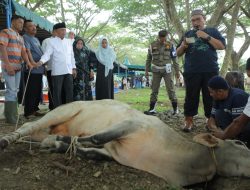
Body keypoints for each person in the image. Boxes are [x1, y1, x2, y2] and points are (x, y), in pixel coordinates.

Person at [176, 9, 226, 132]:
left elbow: (222, 46)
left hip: (210, 70)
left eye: (198, 19)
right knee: (191, 96)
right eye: (193, 20)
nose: (195, 22)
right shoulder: (188, 34)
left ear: (204, 19)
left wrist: (207, 37)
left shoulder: (212, 31)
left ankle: (210, 119)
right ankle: (189, 120)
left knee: (210, 96)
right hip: (191, 70)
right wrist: (183, 46)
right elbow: (177, 53)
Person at [0, 15, 35, 124]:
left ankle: (13, 115)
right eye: (20, 22)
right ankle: (10, 118)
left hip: (18, 67)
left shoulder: (20, 37)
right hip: (9, 66)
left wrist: (29, 63)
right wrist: (8, 65)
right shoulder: (6, 32)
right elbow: (2, 48)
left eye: (22, 23)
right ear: (13, 22)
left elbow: (23, 52)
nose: (22, 25)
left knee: (15, 90)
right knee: (11, 90)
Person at [212, 58, 250, 146]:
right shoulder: (217, 98)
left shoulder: (238, 96)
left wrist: (222, 135)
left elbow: (240, 123)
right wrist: (216, 129)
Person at [38, 22, 76, 108]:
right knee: (57, 93)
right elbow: (47, 54)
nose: (64, 32)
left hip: (68, 71)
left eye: (65, 30)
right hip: (57, 72)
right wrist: (41, 62)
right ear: (56, 31)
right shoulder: (51, 42)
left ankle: (69, 110)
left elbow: (72, 56)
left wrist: (74, 68)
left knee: (69, 91)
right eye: (62, 30)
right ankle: (57, 111)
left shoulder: (69, 42)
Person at [144, 29, 180, 115]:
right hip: (156, 70)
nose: (164, 40)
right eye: (162, 38)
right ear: (159, 37)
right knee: (154, 89)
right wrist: (146, 71)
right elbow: (148, 59)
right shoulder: (152, 45)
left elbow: (175, 59)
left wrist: (177, 72)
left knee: (170, 89)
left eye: (165, 38)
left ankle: (175, 109)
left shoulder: (171, 45)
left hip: (167, 70)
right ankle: (152, 109)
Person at [23, 20, 45, 118]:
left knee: (37, 90)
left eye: (34, 26)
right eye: (31, 26)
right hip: (31, 69)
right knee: (31, 90)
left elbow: (40, 52)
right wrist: (32, 62)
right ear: (25, 28)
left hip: (39, 69)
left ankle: (35, 109)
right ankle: (28, 111)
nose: (34, 27)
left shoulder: (36, 39)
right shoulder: (25, 37)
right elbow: (27, 51)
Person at [41, 27, 56, 110]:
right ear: (52, 31)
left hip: (62, 70)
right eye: (56, 31)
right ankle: (52, 107)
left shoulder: (62, 41)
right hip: (50, 68)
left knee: (59, 88)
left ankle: (59, 106)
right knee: (52, 87)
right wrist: (45, 66)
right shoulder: (46, 41)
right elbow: (44, 53)